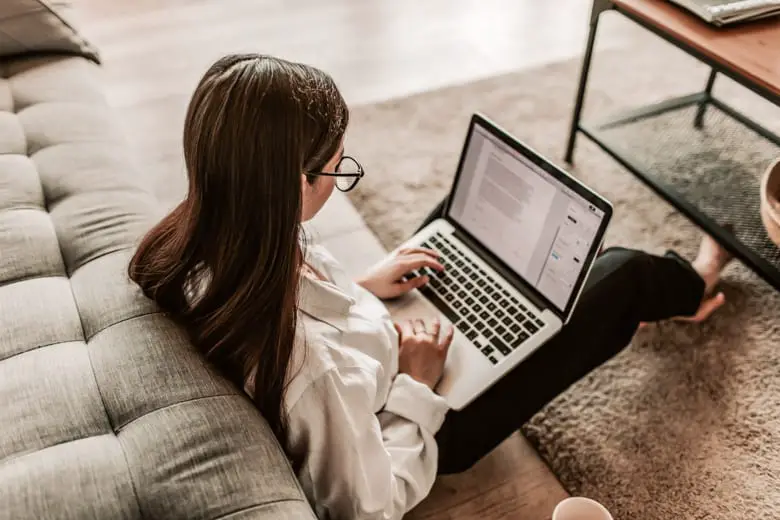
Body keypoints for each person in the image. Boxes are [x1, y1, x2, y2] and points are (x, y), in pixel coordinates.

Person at [128, 54, 733, 520]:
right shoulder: (311, 369)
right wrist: (416, 386)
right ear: (291, 182)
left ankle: (560, 273)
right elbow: (369, 506)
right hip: (427, 418)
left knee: (462, 224)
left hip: (379, 345)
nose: (343, 174)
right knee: (624, 274)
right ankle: (692, 286)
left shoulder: (211, 236)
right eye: (337, 168)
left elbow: (305, 314)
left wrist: (362, 287)